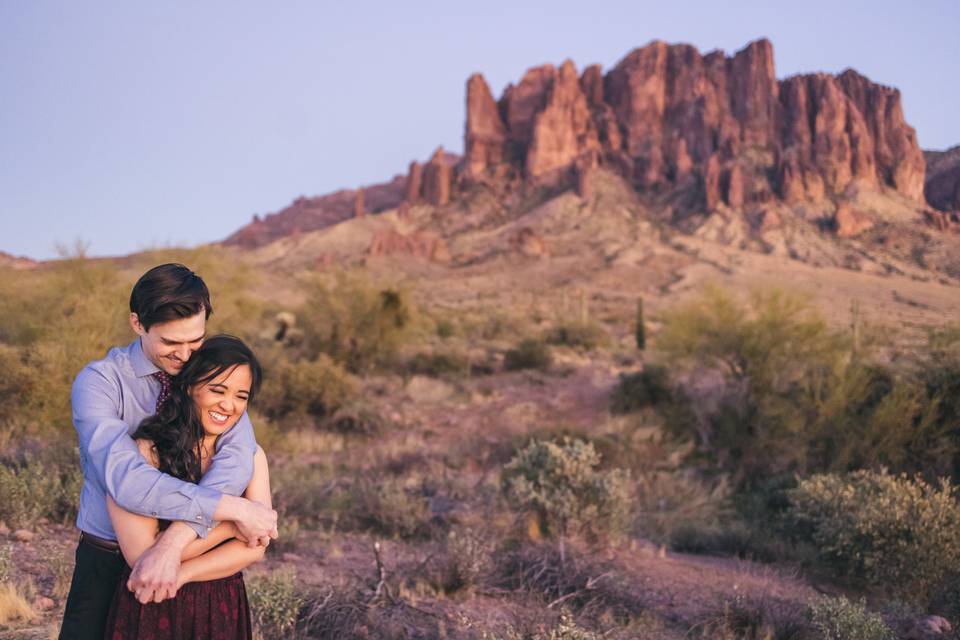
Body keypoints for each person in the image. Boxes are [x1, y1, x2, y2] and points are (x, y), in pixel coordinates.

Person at [60, 264, 278, 640]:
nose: (184, 355)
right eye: (170, 343)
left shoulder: (208, 376)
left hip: (197, 555)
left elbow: (237, 459)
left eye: (195, 340)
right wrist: (236, 511)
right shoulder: (99, 384)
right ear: (137, 323)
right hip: (109, 557)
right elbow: (127, 481)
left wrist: (174, 543)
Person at [103, 335, 269, 639]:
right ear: (190, 386)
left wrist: (182, 575)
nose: (228, 405)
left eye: (241, 396)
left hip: (219, 603)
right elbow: (142, 557)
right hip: (151, 600)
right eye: (217, 390)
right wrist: (232, 526)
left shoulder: (252, 456)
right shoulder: (145, 453)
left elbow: (256, 548)